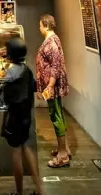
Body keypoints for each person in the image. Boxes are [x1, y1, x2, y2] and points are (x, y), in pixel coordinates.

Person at [1, 38, 45, 195]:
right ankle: (40, 189)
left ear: (10, 55)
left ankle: (19, 192)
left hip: (14, 118)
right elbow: (33, 86)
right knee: (26, 148)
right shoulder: (27, 69)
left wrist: (3, 85)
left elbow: (5, 97)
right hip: (26, 117)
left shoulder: (11, 72)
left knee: (16, 152)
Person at [36, 14, 70, 168]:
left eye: (40, 25)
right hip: (52, 85)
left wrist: (50, 85)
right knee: (58, 115)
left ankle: (62, 156)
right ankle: (65, 149)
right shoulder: (53, 39)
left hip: (52, 86)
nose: (39, 28)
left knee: (55, 116)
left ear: (46, 25)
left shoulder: (51, 43)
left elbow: (55, 66)